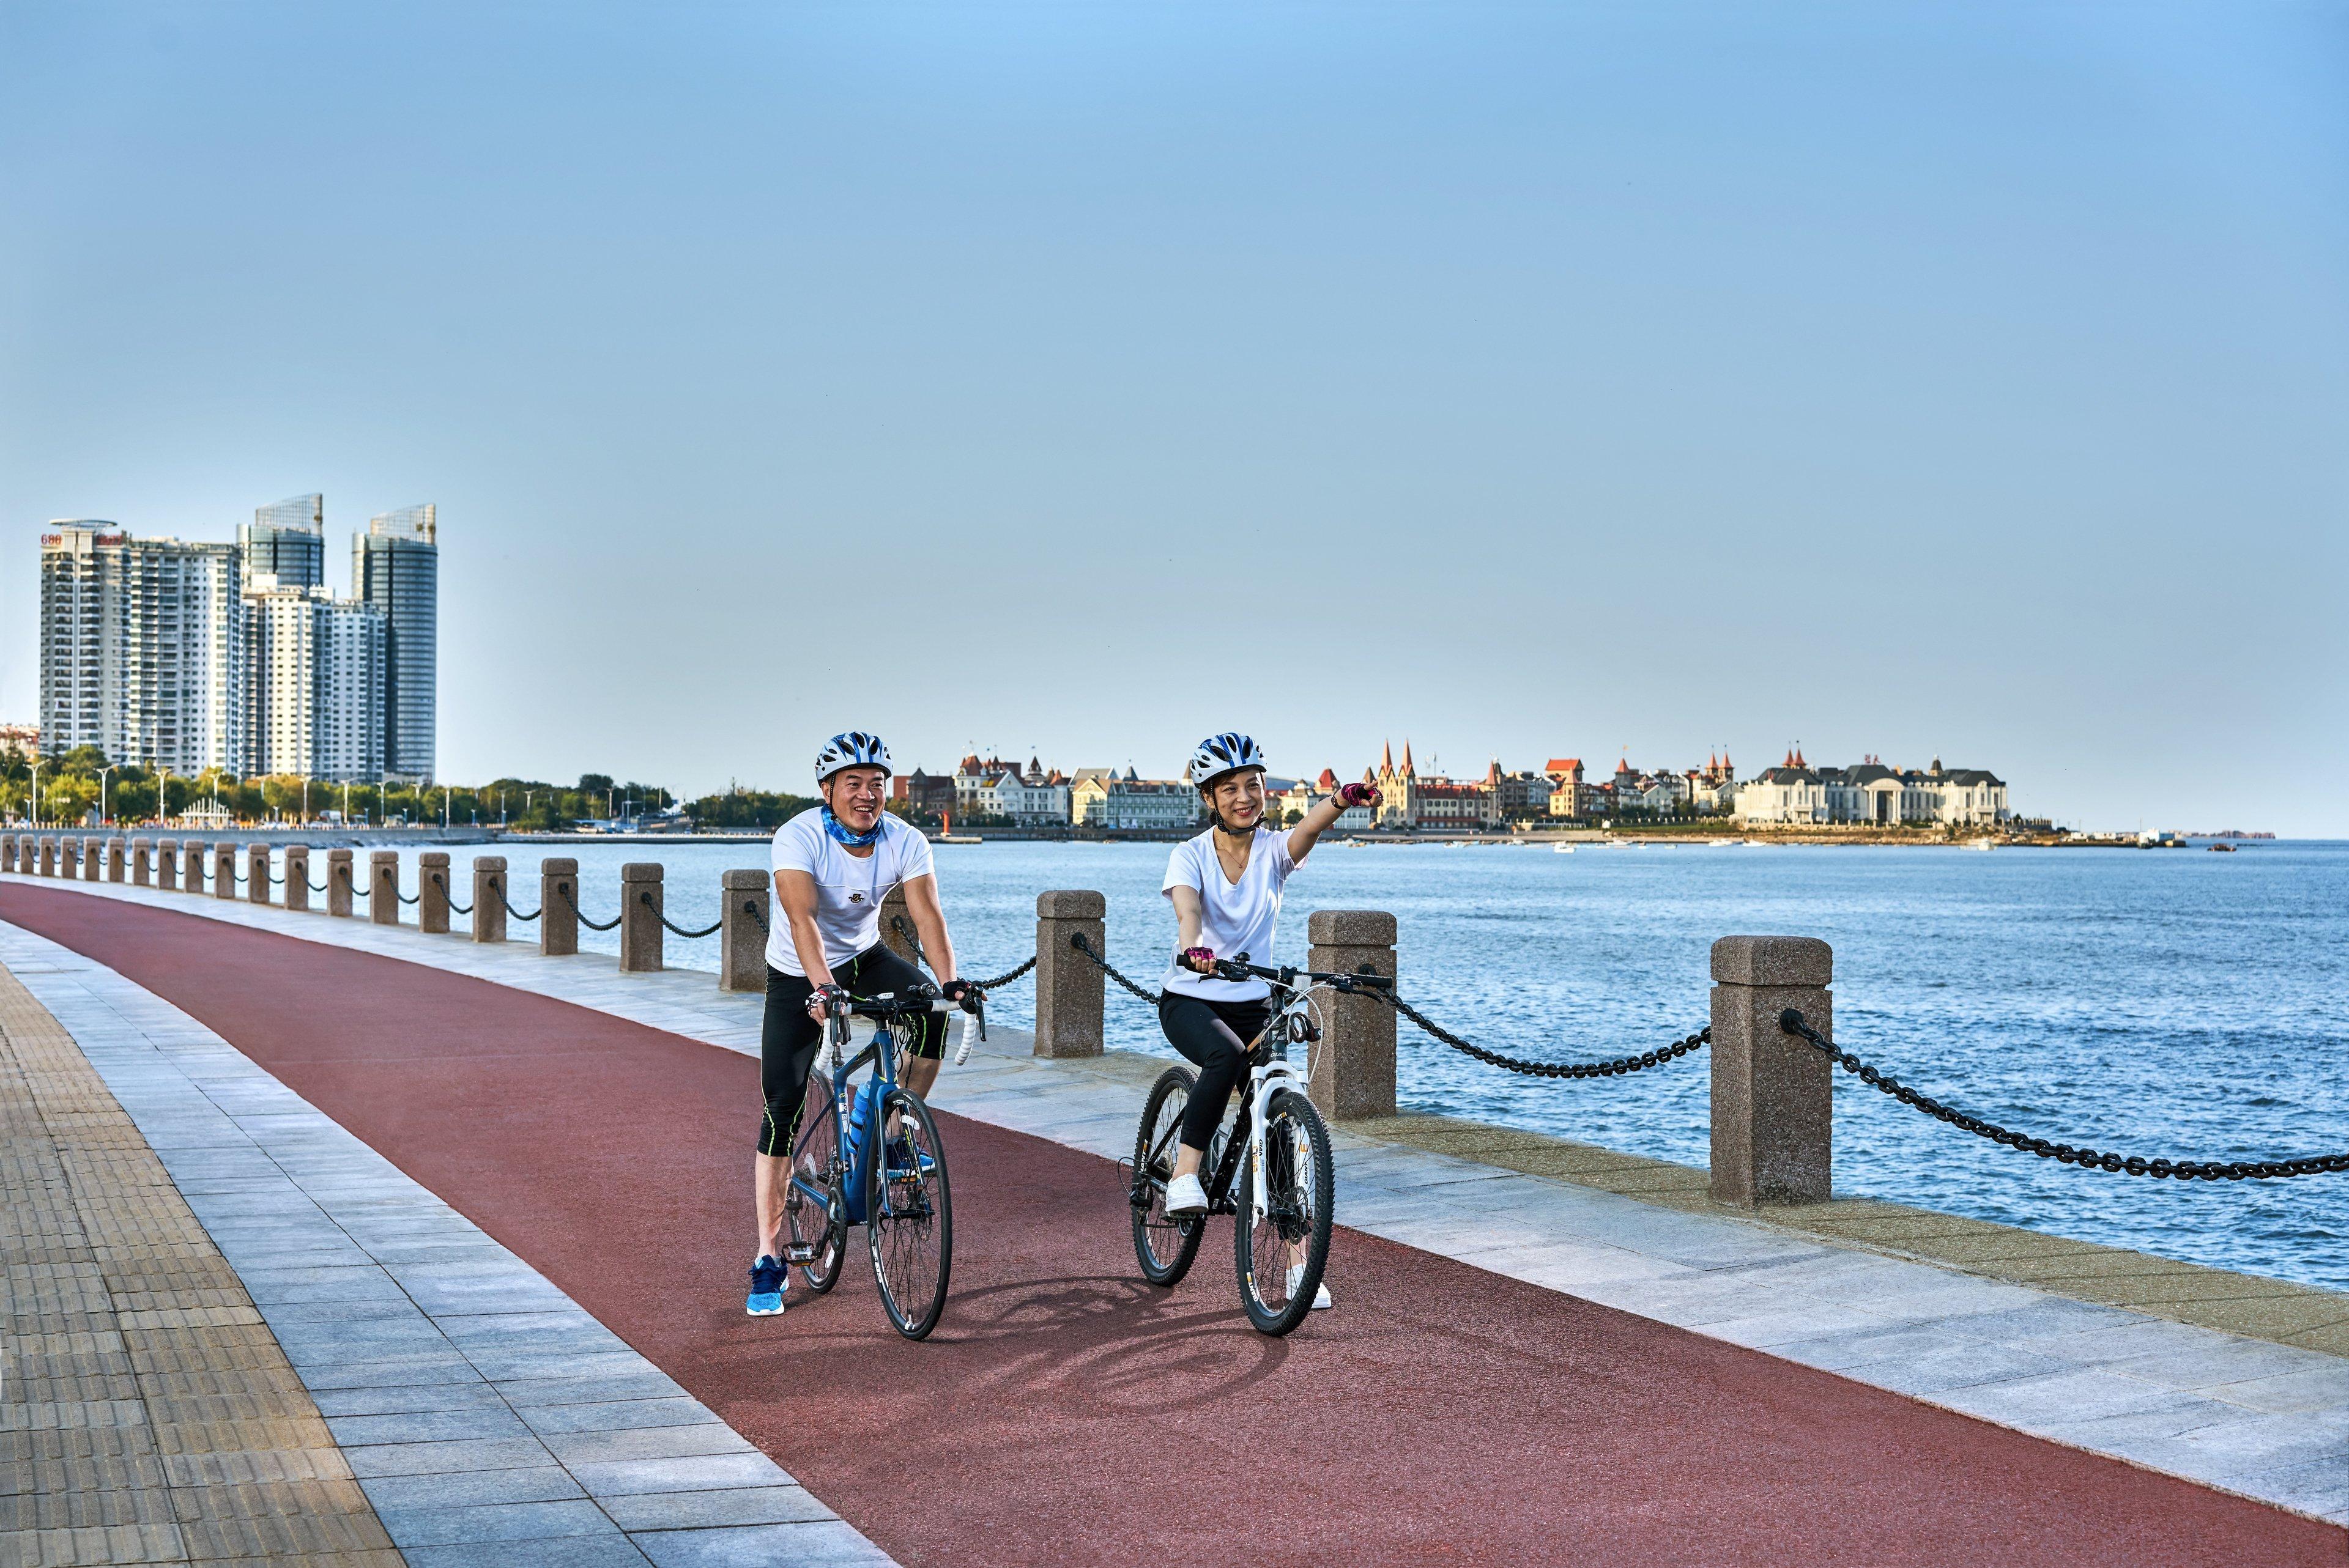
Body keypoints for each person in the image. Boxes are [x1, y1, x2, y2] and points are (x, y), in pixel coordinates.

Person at [746, 731, 978, 1317]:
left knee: (929, 1014)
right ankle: (769, 1257)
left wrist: (950, 981)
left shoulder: (906, 839)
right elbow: (801, 921)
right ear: (828, 790)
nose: (867, 794)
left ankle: (893, 1134)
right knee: (782, 1104)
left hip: (865, 957)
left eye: (877, 784)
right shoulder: (798, 836)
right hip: (799, 971)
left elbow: (927, 914)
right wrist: (822, 987)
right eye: (853, 784)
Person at [1157, 732, 1379, 1310]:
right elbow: (1188, 910)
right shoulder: (1189, 855)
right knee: (1224, 1056)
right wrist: (1194, 948)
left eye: (1252, 785)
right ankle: (1185, 1174)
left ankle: (1300, 1266)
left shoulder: (1276, 853)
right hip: (1192, 998)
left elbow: (1308, 830)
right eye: (1229, 788)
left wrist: (1343, 798)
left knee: (1280, 1117)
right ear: (1210, 797)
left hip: (1256, 1001)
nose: (1244, 797)